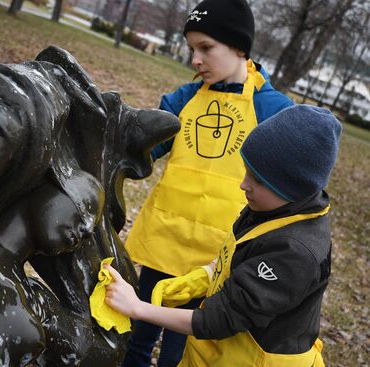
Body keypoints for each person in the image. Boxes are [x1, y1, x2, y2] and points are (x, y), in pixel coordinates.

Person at [123, 0, 293, 365]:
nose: (195, 60)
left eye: (206, 48)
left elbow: (288, 184)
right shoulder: (183, 99)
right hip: (163, 245)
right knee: (135, 341)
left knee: (181, 355)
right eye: (191, 50)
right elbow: (139, 150)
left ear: (239, 47)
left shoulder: (274, 111)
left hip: (215, 266)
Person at [106, 104, 342, 367]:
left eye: (258, 180)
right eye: (247, 171)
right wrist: (204, 276)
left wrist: (138, 308)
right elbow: (240, 256)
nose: (244, 184)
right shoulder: (272, 208)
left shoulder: (295, 252)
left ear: (293, 188)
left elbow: (217, 321)